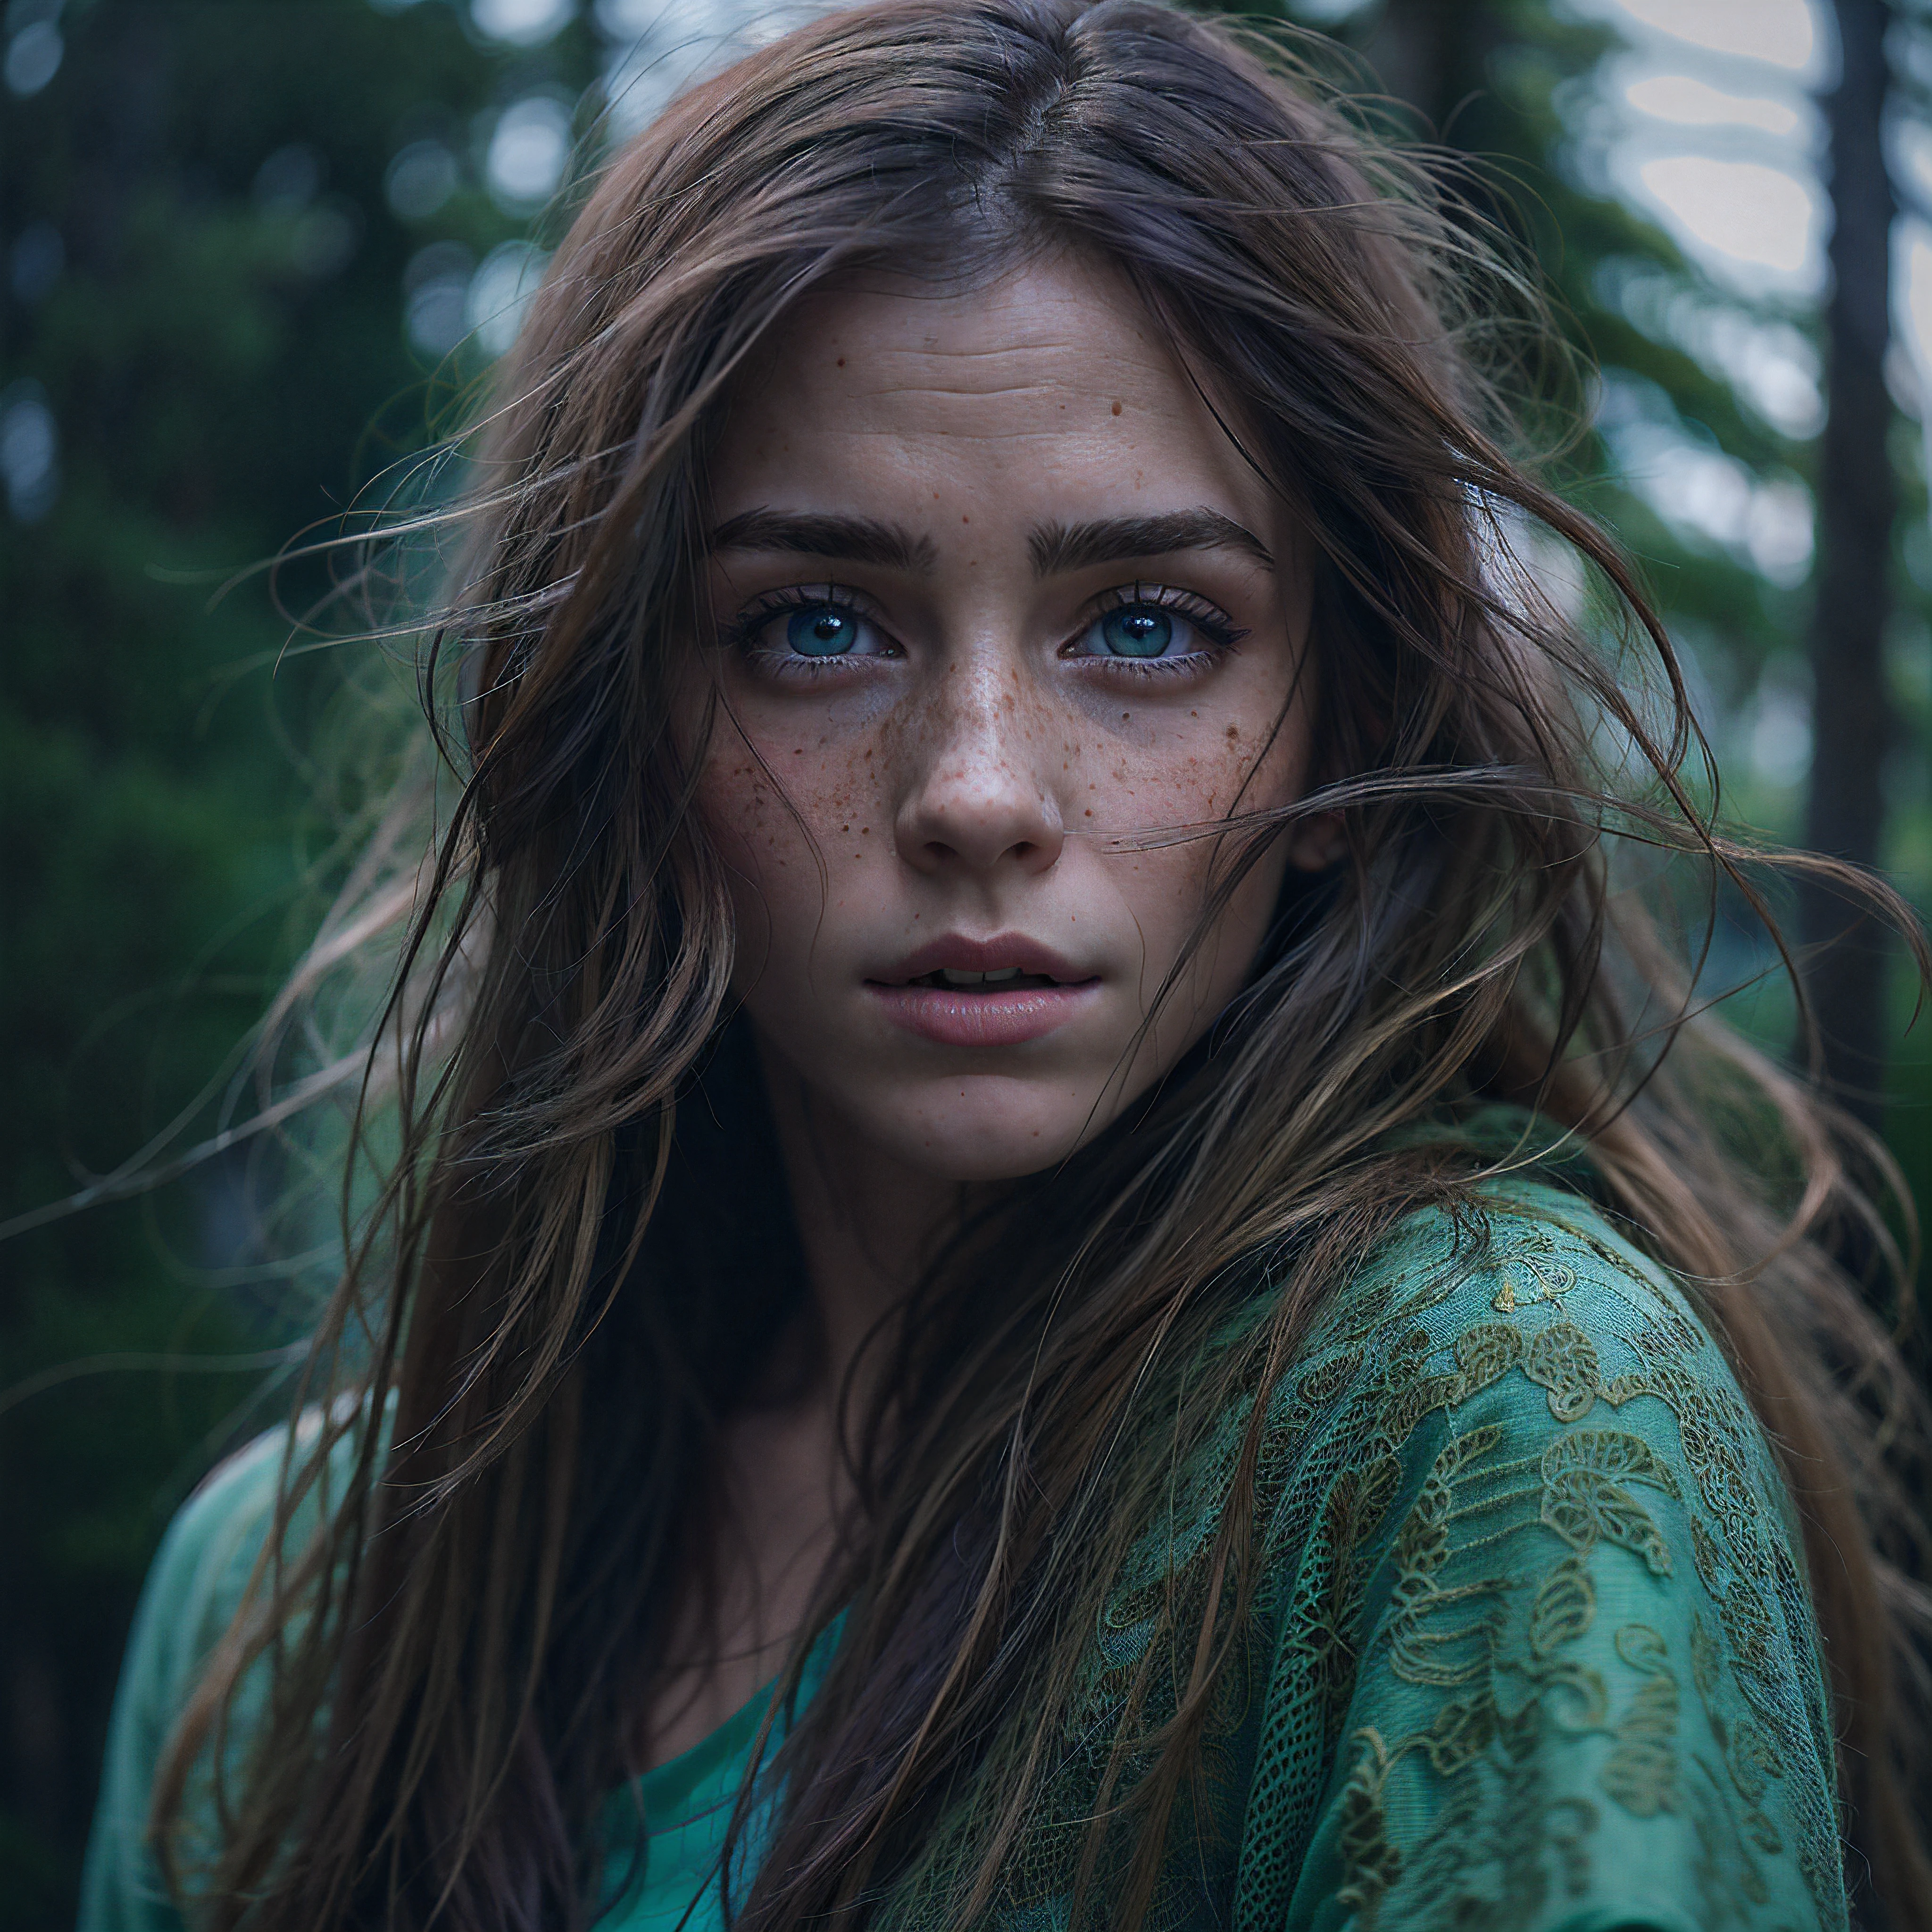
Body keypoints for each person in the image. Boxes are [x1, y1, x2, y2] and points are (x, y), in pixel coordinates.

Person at [78, 1, 1932, 1927]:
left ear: (1346, 744)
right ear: (628, 724)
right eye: (814, 626)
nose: (974, 791)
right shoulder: (291, 1611)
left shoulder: (1490, 1423)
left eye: (1144, 625)